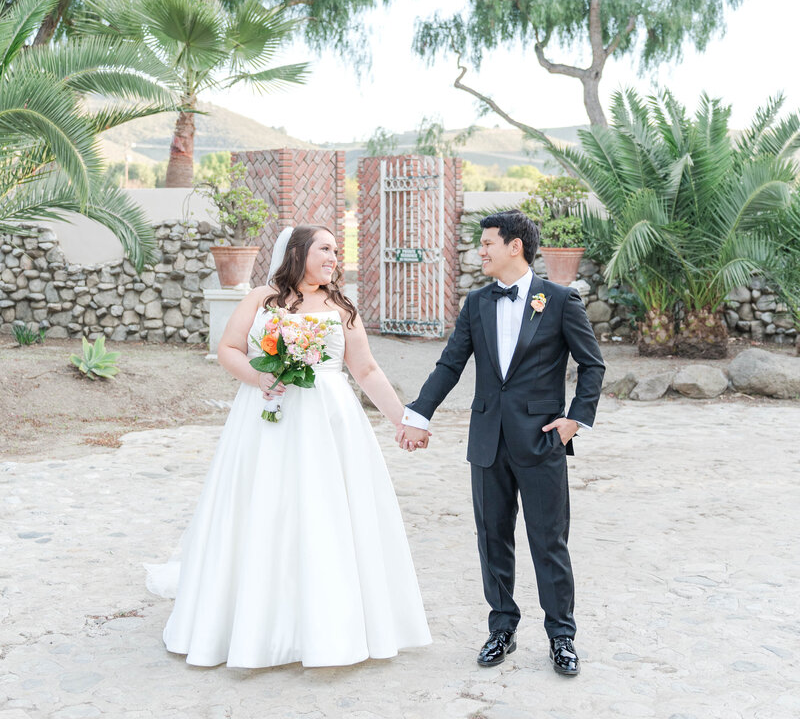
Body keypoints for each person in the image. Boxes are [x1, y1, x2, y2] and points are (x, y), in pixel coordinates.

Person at [146, 224, 431, 668]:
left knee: (327, 512)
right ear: (298, 252)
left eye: (337, 250)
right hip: (267, 420)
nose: (334, 257)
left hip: (330, 423)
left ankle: (329, 626)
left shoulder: (341, 306)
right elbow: (229, 348)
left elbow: (367, 370)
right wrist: (260, 377)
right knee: (266, 508)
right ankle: (257, 625)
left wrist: (405, 420)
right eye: (325, 249)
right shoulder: (263, 299)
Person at [397, 210, 604, 676]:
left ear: (516, 246)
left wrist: (575, 420)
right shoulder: (476, 303)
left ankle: (562, 637)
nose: (481, 251)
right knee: (492, 539)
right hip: (487, 441)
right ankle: (502, 628)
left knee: (548, 541)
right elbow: (450, 365)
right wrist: (417, 415)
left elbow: (593, 366)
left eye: (488, 242)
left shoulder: (561, 299)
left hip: (542, 441)